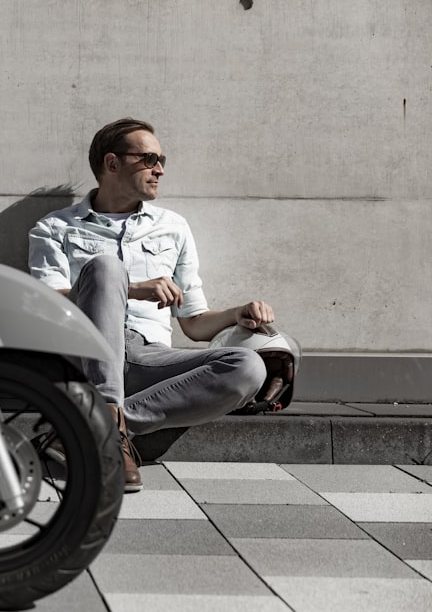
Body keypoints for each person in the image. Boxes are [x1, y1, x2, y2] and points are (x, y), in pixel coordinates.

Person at [28, 118, 271, 492]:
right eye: (148, 159)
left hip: (148, 359)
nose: (159, 169)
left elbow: (193, 322)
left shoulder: (173, 227)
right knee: (106, 268)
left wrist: (235, 314)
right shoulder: (54, 228)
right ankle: (106, 415)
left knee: (249, 367)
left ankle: (98, 426)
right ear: (112, 164)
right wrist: (132, 288)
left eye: (161, 160)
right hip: (82, 353)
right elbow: (45, 304)